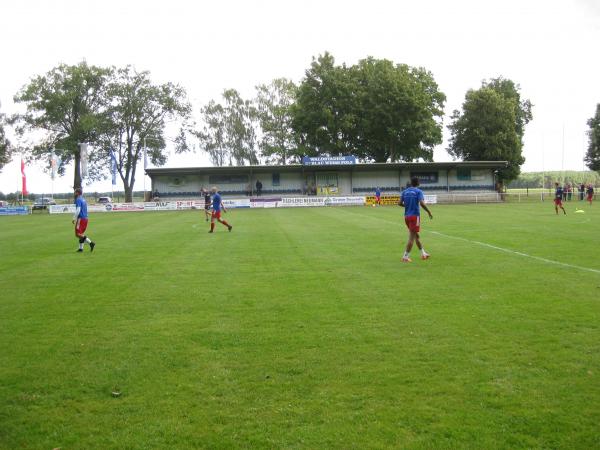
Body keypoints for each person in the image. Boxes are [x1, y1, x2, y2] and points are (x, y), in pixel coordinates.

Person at [399, 177, 433, 262]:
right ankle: (405, 257)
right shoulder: (418, 191)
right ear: (418, 183)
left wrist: (407, 206)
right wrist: (429, 212)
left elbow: (399, 203)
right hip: (414, 217)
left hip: (407, 217)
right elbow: (421, 203)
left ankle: (423, 254)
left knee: (416, 236)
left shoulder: (405, 191)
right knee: (411, 238)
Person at [73, 188, 95, 252]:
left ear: (77, 193)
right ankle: (81, 248)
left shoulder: (78, 199)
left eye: (75, 192)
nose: (74, 193)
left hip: (81, 218)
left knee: (77, 234)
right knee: (81, 234)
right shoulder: (83, 200)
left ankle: (91, 243)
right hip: (85, 218)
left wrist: (74, 218)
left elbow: (78, 210)